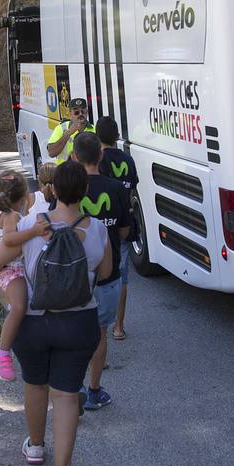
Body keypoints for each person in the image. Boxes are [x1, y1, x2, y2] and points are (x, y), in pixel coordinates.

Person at [0, 161, 111, 466]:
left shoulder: (30, 224)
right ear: (85, 192)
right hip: (78, 321)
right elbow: (107, 271)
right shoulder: (97, 229)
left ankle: (36, 446)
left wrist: (8, 289)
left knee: (36, 384)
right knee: (67, 395)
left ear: (52, 190)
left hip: (32, 321)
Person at [71, 132, 131, 411]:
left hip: (71, 276)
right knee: (99, 333)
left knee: (72, 334)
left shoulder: (68, 189)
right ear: (102, 155)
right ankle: (94, 391)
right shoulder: (117, 188)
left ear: (74, 158)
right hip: (107, 276)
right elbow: (125, 230)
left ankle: (71, 390)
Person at [0, 170, 51, 381]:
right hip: (11, 269)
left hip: (13, 267)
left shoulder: (9, 215)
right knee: (19, 307)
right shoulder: (12, 216)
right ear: (25, 195)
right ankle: (2, 354)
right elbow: (8, 240)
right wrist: (34, 232)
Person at [96, 116, 139, 341]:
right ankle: (119, 327)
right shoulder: (128, 160)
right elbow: (131, 192)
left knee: (97, 274)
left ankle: (99, 326)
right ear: (117, 136)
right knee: (121, 276)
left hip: (102, 222)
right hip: (123, 222)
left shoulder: (99, 161)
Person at [46, 97, 96, 162]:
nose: (80, 114)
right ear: (70, 114)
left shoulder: (94, 130)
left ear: (87, 112)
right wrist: (68, 133)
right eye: (76, 112)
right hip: (65, 170)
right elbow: (51, 153)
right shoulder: (61, 128)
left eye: (83, 111)